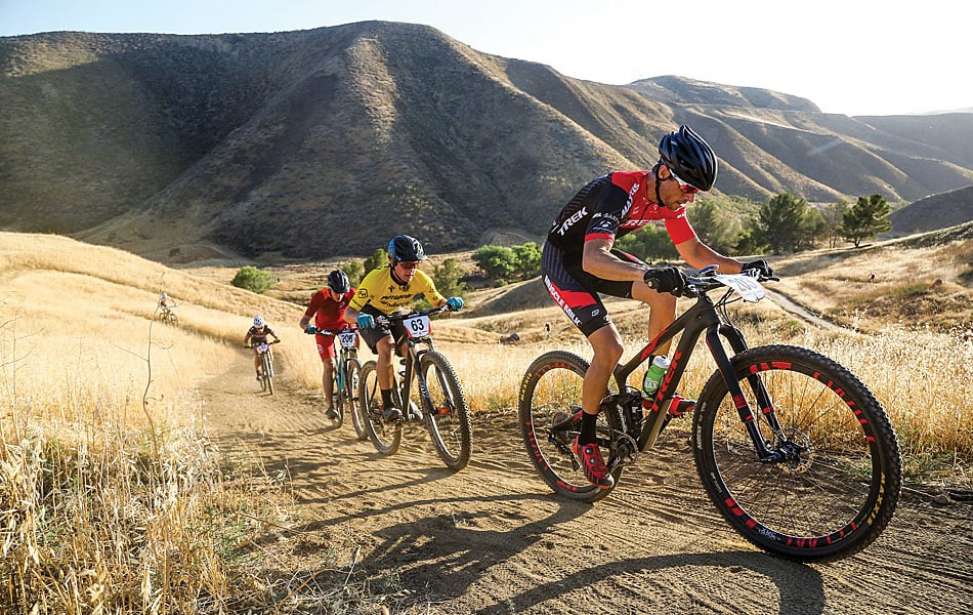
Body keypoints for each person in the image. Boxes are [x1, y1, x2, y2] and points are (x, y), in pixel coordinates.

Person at [542, 124, 773, 489]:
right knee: (610, 348)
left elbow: (695, 253)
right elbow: (591, 258)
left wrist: (746, 268)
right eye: (687, 188)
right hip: (567, 263)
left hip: (599, 256)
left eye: (695, 193)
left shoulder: (668, 201)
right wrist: (650, 271)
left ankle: (654, 384)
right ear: (664, 171)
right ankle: (584, 437)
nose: (690, 199)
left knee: (665, 294)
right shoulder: (617, 190)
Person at [344, 235, 464, 421]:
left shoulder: (421, 279)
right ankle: (388, 405)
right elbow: (348, 313)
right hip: (371, 312)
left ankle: (403, 388)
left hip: (394, 312)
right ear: (392, 262)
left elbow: (439, 302)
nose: (412, 270)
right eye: (407, 265)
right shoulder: (375, 279)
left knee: (411, 348)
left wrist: (450, 303)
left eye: (416, 264)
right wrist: (360, 317)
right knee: (387, 345)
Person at [299, 270, 356, 419]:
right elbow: (303, 321)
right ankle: (330, 405)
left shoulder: (351, 294)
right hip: (324, 331)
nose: (340, 296)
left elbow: (362, 310)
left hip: (344, 328)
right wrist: (308, 327)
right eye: (337, 292)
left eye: (343, 292)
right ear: (329, 289)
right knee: (329, 365)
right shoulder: (320, 296)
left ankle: (353, 373)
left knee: (353, 349)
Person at [244, 315, 281, 380]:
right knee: (257, 355)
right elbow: (246, 338)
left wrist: (276, 338)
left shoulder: (267, 328)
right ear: (255, 327)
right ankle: (258, 373)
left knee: (269, 350)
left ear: (263, 325)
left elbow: (274, 334)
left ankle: (268, 366)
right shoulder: (252, 330)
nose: (259, 330)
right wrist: (246, 344)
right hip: (255, 342)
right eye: (257, 328)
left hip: (264, 341)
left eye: (261, 327)